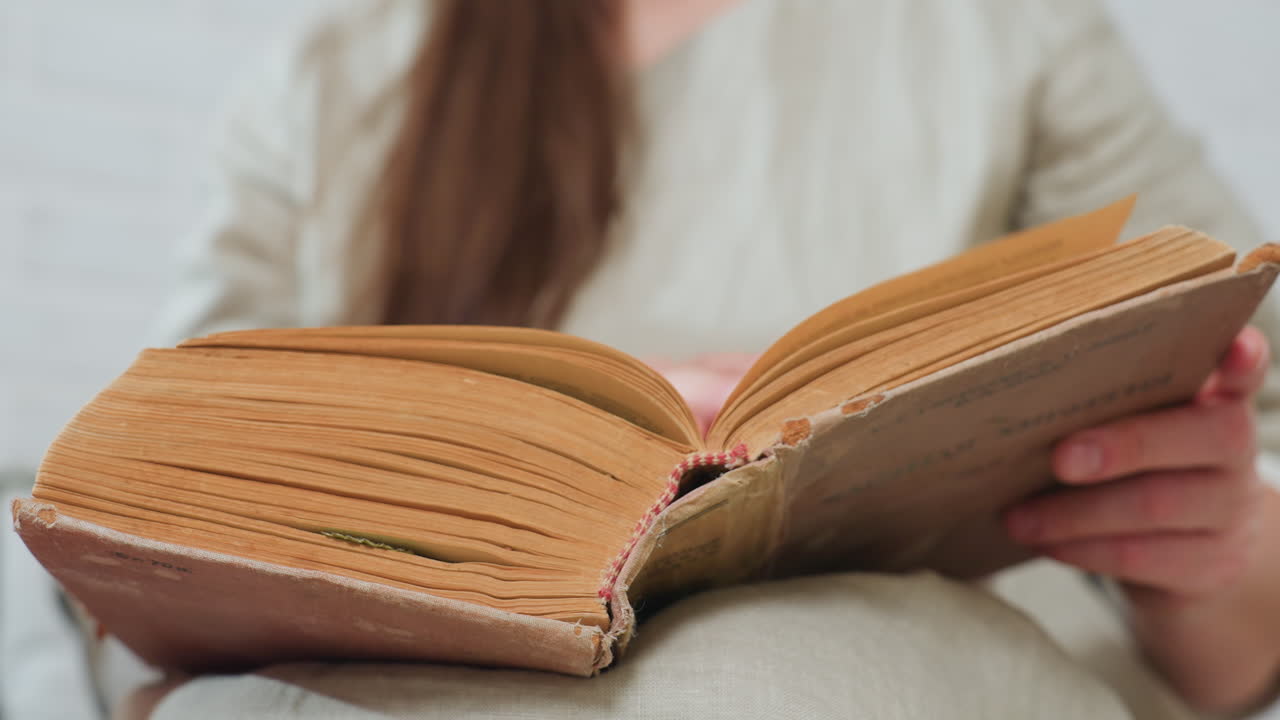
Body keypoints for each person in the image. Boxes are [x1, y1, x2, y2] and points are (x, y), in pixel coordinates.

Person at [8, 0, 1279, 717]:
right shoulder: (330, 87)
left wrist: (1209, 569)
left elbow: (1247, 506)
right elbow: (150, 510)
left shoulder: (1007, 39)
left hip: (907, 660)